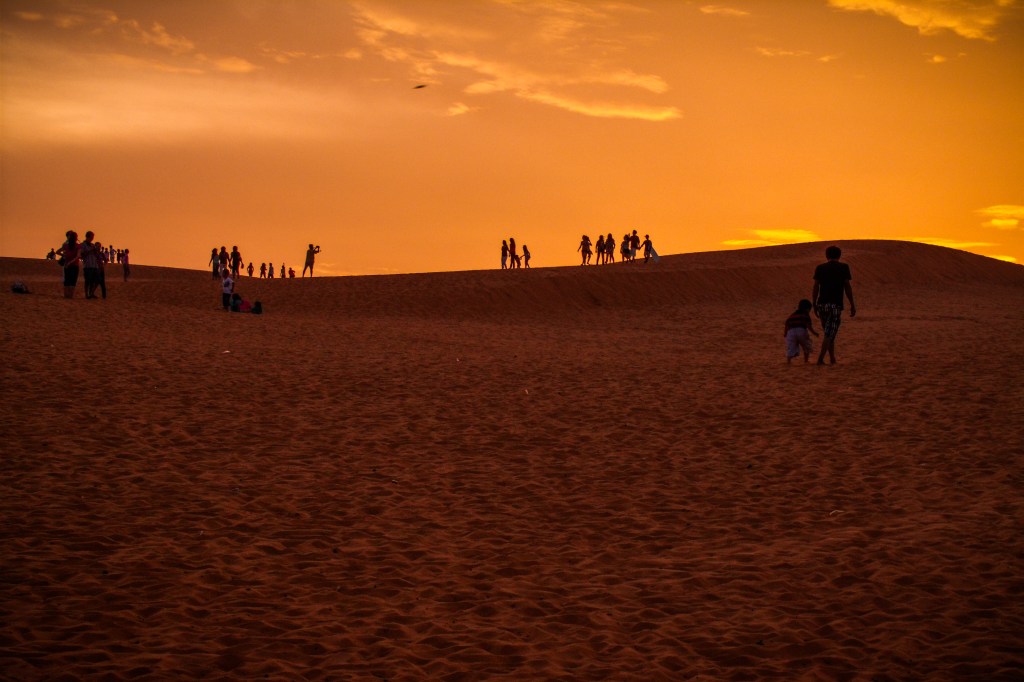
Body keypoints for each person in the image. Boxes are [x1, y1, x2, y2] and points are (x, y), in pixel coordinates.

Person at [812, 245, 856, 365]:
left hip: (822, 305)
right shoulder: (843, 267)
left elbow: (816, 287)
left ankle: (832, 358)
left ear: (826, 255)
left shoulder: (820, 268)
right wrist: (852, 304)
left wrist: (814, 303)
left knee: (828, 332)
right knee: (829, 333)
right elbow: (847, 286)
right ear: (839, 255)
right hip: (835, 305)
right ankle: (820, 359)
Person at [784, 299, 819, 364]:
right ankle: (806, 360)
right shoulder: (805, 315)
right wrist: (814, 333)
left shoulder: (792, 315)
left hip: (791, 332)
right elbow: (808, 325)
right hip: (801, 331)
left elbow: (787, 324)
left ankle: (788, 361)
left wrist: (785, 333)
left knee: (791, 347)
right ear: (807, 309)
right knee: (806, 345)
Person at [56, 230, 81, 299]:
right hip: (74, 265)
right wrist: (71, 261)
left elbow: (57, 251)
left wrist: (64, 256)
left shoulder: (65, 245)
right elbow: (78, 256)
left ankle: (66, 295)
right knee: (73, 281)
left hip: (67, 264)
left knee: (67, 280)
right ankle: (70, 296)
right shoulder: (78, 246)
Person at [80, 231, 101, 299]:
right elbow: (82, 255)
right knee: (88, 280)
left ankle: (91, 293)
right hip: (87, 265)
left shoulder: (92, 245)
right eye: (92, 237)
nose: (92, 238)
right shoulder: (82, 245)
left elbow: (96, 255)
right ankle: (87, 294)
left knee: (97, 280)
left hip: (94, 265)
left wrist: (96, 250)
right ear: (88, 236)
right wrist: (90, 250)